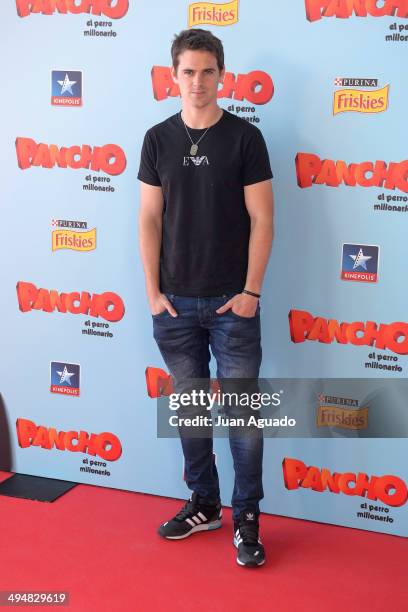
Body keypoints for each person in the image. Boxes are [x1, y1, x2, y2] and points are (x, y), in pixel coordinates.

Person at [138, 28, 274, 567]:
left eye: (207, 71)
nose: (197, 81)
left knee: (242, 416)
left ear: (222, 75)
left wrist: (250, 292)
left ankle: (246, 517)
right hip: (173, 304)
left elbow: (263, 219)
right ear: (173, 76)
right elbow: (150, 218)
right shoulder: (156, 138)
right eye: (188, 71)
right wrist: (151, 291)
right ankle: (204, 504)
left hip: (230, 305)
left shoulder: (245, 138)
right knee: (191, 413)